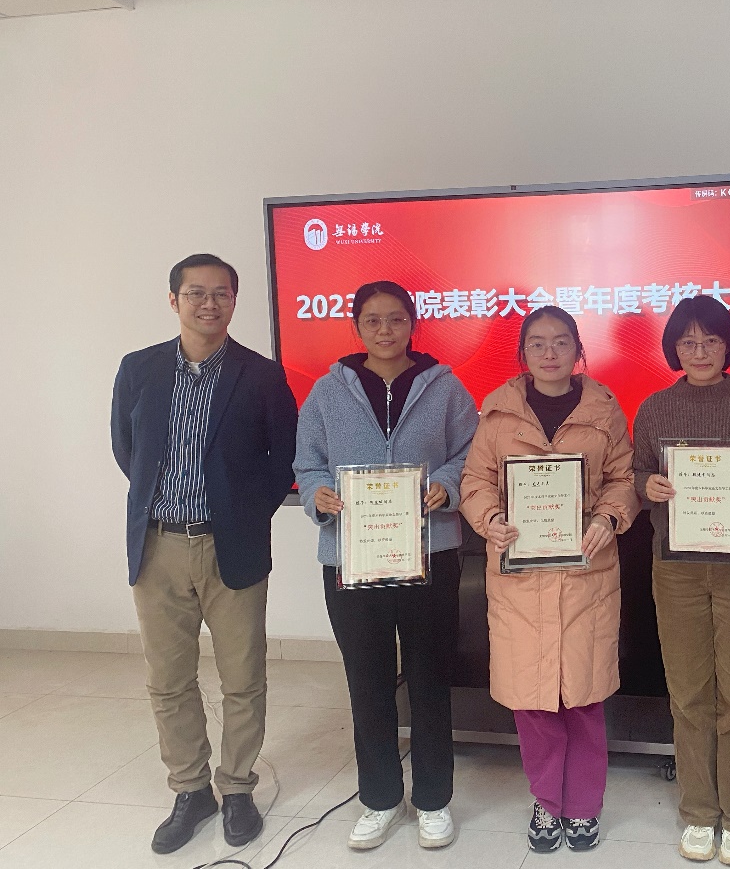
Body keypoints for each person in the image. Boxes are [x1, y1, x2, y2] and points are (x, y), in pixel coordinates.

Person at [110, 253, 298, 854]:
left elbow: (283, 460)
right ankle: (190, 789)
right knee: (168, 679)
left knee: (243, 676)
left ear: (234, 301)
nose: (209, 304)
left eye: (221, 293)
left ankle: (237, 787)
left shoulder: (262, 375)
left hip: (230, 546)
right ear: (174, 300)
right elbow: (126, 449)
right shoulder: (138, 369)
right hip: (158, 544)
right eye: (196, 293)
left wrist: (243, 516)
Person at [293, 280, 477, 851]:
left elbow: (471, 453)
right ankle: (378, 798)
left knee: (430, 680)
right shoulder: (327, 392)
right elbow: (308, 462)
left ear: (412, 324)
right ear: (356, 327)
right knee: (367, 682)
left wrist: (445, 484)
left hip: (430, 555)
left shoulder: (445, 388)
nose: (385, 330)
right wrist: (317, 494)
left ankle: (433, 800)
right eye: (372, 320)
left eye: (396, 318)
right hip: (353, 558)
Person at [459, 305, 639, 854]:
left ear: (578, 349)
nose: (550, 352)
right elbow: (475, 481)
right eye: (537, 343)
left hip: (586, 573)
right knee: (533, 701)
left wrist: (608, 518)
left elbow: (623, 479)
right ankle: (546, 802)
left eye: (561, 341)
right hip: (521, 576)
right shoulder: (497, 413)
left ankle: (583, 805)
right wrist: (490, 518)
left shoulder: (604, 409)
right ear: (523, 353)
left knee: (583, 697)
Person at [632, 296, 730, 866]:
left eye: (711, 340)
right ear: (674, 347)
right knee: (689, 692)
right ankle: (698, 811)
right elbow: (637, 470)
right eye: (688, 341)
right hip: (676, 568)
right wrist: (647, 485)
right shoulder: (654, 408)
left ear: (728, 345)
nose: (699, 351)